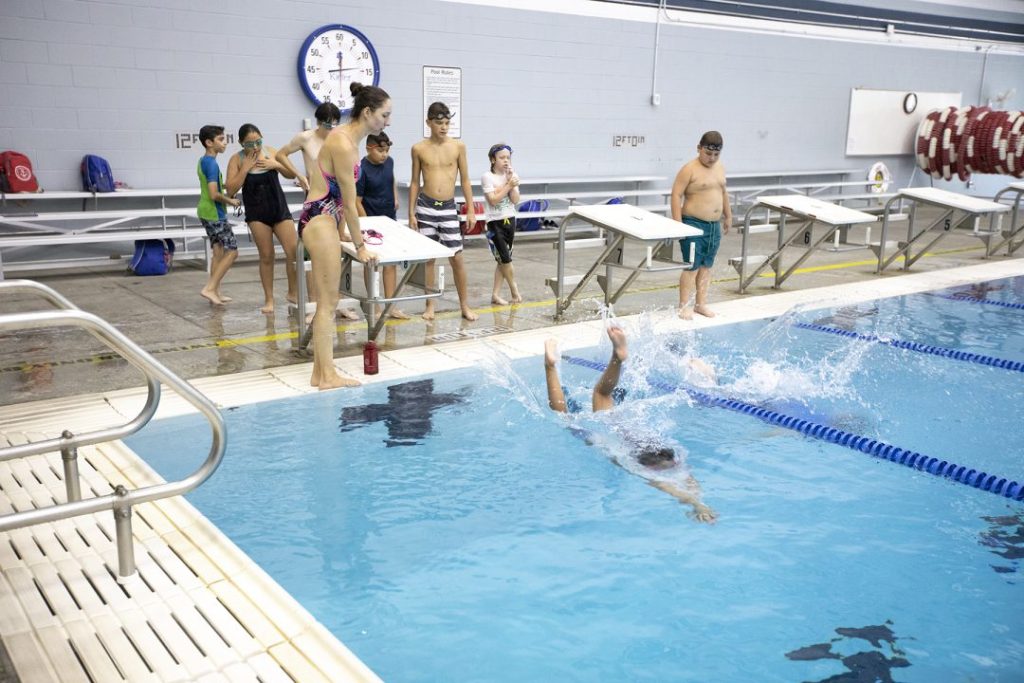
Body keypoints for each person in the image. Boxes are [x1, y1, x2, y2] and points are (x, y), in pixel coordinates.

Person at [543, 327, 717, 523]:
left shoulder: (678, 458)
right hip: (626, 442)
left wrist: (699, 502)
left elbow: (687, 482)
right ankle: (550, 366)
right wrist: (698, 504)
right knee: (569, 415)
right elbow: (670, 487)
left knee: (591, 401)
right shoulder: (651, 469)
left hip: (644, 438)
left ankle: (616, 358)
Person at [298, 82, 387, 390]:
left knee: (329, 301)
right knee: (327, 303)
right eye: (384, 115)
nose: (387, 122)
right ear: (368, 113)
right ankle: (327, 377)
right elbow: (347, 203)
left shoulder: (348, 141)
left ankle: (319, 373)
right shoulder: (344, 144)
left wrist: (343, 234)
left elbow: (337, 198)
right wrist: (360, 247)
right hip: (319, 220)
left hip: (326, 219)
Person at [409, 102, 478, 321]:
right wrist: (411, 213)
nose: (444, 127)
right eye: (439, 123)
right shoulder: (418, 149)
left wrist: (470, 209)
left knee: (456, 258)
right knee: (429, 259)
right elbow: (414, 182)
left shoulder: (458, 147)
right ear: (428, 122)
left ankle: (464, 305)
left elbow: (465, 179)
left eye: (447, 123)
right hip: (425, 206)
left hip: (448, 207)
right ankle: (430, 305)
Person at [226, 123, 299, 314]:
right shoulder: (237, 160)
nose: (255, 147)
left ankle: (292, 292)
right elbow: (231, 189)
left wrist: (276, 165)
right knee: (267, 256)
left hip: (279, 209)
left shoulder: (272, 152)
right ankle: (269, 299)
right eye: (250, 144)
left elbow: (292, 174)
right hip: (257, 213)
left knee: (293, 253)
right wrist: (245, 169)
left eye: (258, 141)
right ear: (242, 144)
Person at [671, 131, 732, 320]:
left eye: (716, 154)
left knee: (706, 265)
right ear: (699, 148)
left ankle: (701, 304)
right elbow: (675, 195)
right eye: (708, 153)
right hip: (693, 224)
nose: (712, 158)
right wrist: (678, 224)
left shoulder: (720, 168)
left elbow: (723, 193)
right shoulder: (689, 169)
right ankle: (683, 306)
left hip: (713, 226)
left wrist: (728, 216)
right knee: (692, 266)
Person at [356, 131, 408, 319]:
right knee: (372, 264)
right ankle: (375, 306)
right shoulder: (361, 169)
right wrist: (368, 223)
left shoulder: (390, 161)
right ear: (369, 148)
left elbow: (391, 179)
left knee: (391, 263)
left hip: (389, 218)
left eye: (387, 150)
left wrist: (394, 196)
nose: (384, 154)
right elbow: (356, 200)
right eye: (381, 151)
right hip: (371, 223)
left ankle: (391, 305)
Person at [196, 125, 241, 306]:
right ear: (209, 142)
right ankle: (209, 287)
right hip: (214, 213)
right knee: (233, 251)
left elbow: (211, 188)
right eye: (221, 140)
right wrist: (231, 201)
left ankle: (215, 291)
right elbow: (214, 194)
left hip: (206, 211)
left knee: (218, 252)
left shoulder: (203, 161)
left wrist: (225, 189)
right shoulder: (212, 164)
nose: (225, 143)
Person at [481, 143, 522, 305]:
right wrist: (508, 185)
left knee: (503, 260)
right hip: (494, 222)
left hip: (510, 220)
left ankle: (495, 295)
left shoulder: (511, 175)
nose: (506, 161)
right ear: (493, 159)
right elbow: (492, 200)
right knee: (505, 259)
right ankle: (515, 291)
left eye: (508, 158)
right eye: (501, 158)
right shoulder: (487, 177)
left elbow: (515, 200)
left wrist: (511, 181)